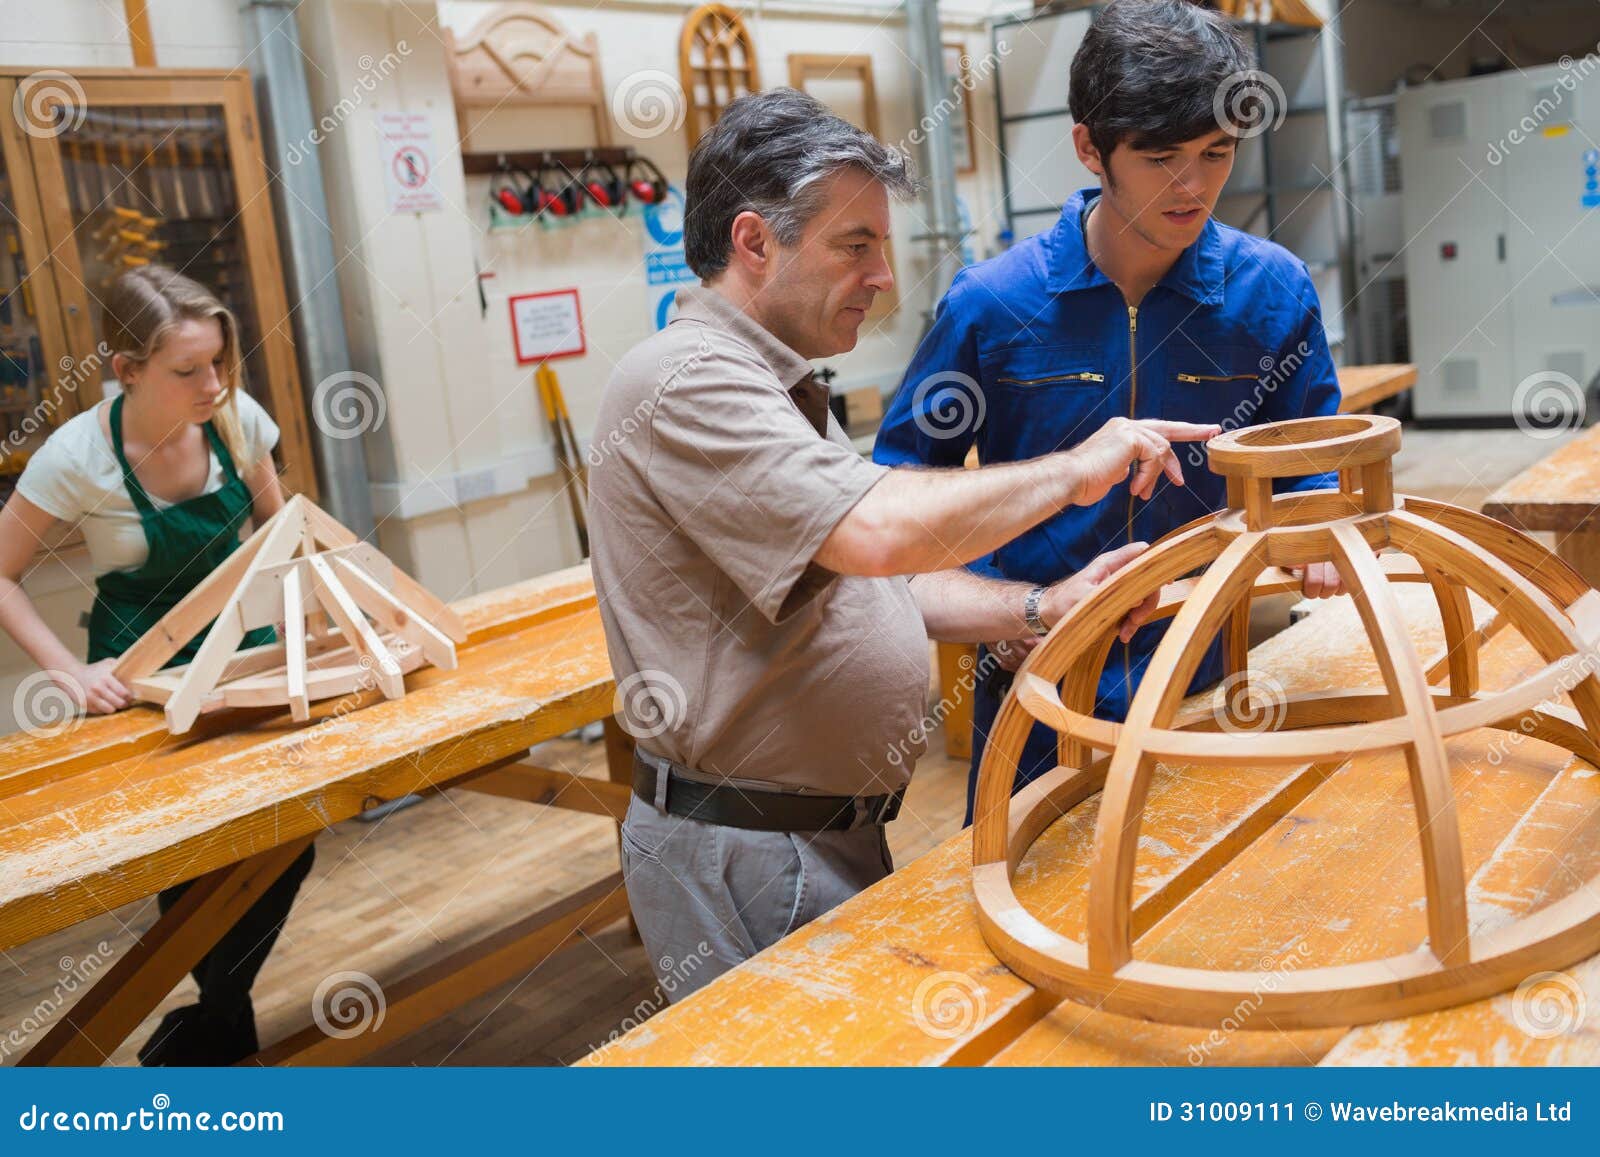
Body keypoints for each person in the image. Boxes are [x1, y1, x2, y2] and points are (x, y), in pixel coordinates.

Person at [587, 88, 1218, 1001]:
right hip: (749, 844)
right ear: (755, 242)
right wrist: (1079, 467)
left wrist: (1038, 607)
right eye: (856, 246)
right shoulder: (684, 381)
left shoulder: (775, 381)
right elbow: (876, 533)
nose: (883, 276)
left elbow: (855, 583)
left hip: (810, 830)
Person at [874, 0, 1344, 819]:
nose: (1193, 186)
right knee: (1020, 906)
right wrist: (1005, 605)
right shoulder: (992, 305)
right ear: (1090, 145)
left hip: (1216, 683)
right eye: (1161, 157)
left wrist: (1318, 528)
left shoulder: (1272, 294)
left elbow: (1310, 467)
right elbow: (900, 504)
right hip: (1041, 691)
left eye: (1216, 153)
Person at [0, 266, 312, 1064]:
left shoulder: (236, 419)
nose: (213, 384)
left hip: (237, 653)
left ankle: (215, 1015)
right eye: (188, 370)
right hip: (138, 673)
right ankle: (216, 1021)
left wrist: (315, 617)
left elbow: (284, 532)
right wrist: (66, 670)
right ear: (127, 369)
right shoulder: (75, 456)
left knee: (290, 834)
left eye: (219, 363)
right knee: (189, 850)